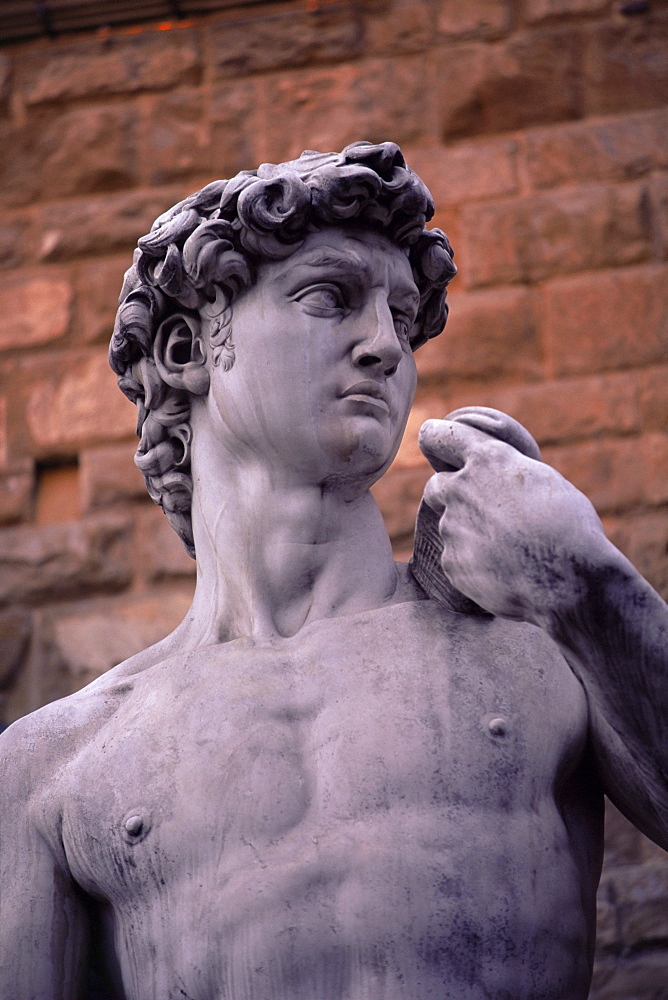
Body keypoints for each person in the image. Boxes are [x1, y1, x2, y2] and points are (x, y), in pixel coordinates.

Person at [1, 141, 666, 1000]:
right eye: (332, 298)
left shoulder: (535, 641)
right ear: (185, 347)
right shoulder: (54, 766)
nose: (385, 346)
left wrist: (587, 584)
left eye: (401, 313)